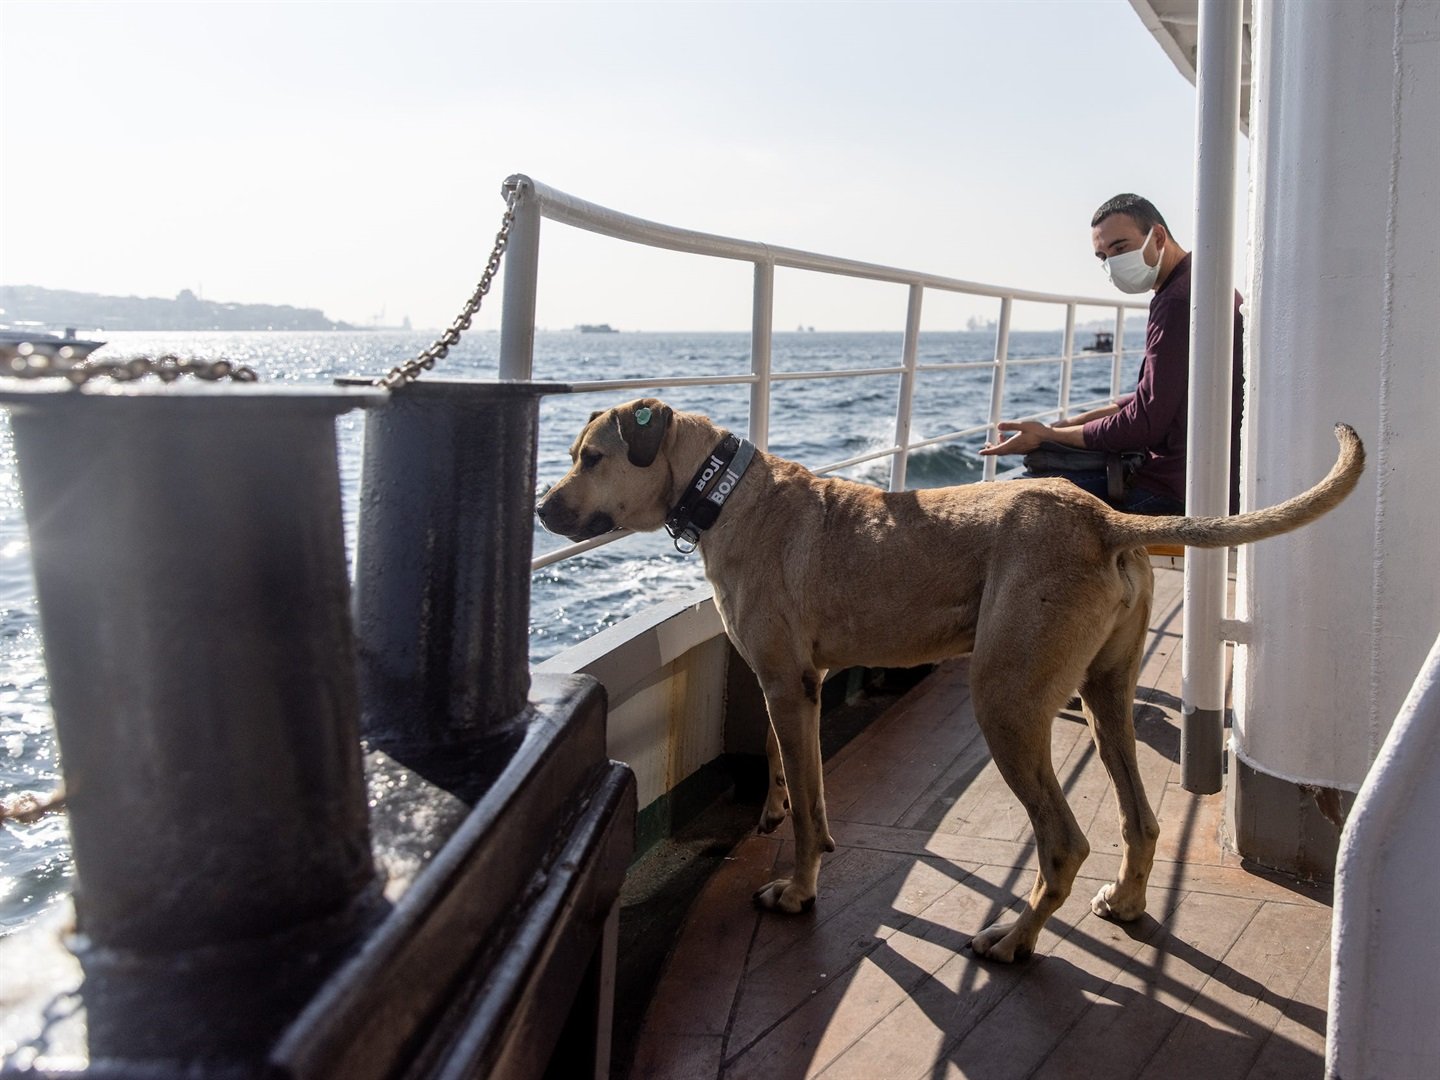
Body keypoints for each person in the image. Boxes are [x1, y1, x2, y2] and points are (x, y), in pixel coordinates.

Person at [979, 193, 1244, 516]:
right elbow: (1155, 399)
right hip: (1202, 477)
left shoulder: (1178, 301)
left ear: (1157, 237)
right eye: (1103, 256)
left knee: (1009, 504)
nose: (1112, 263)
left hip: (1176, 493)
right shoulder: (1196, 284)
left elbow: (1144, 424)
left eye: (1120, 248)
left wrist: (1050, 435)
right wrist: (1068, 424)